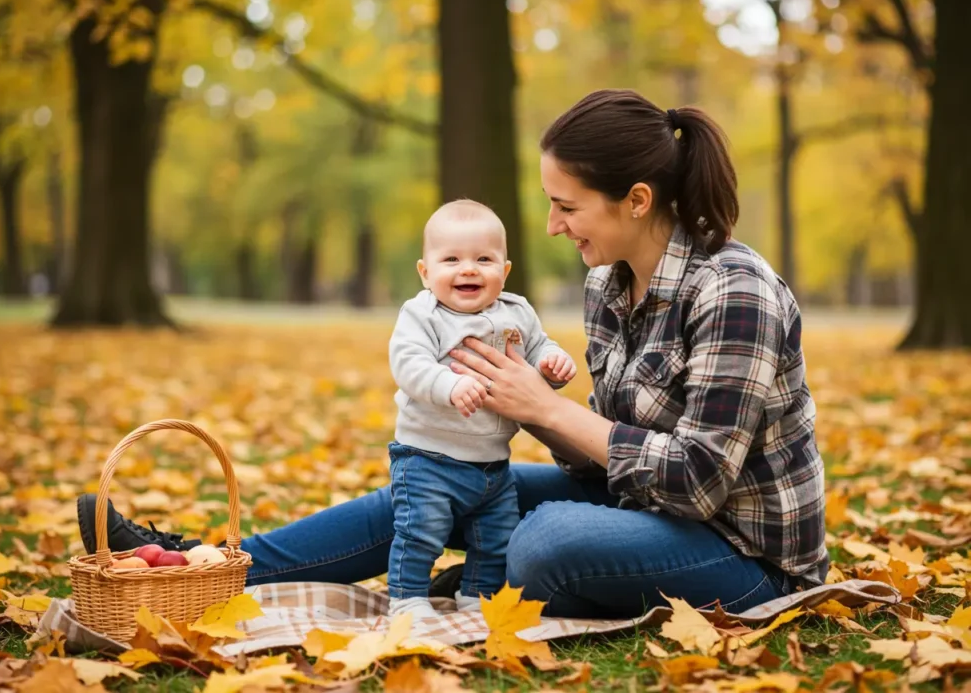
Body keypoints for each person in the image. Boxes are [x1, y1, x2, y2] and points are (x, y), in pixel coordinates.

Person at [77, 89, 827, 619]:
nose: (554, 225)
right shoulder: (609, 286)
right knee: (431, 483)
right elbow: (597, 461)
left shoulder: (734, 290)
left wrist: (545, 405)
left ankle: (468, 584)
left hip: (743, 553)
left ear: (635, 199)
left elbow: (696, 482)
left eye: (567, 205)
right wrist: (509, 400)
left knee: (543, 542)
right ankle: (207, 568)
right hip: (641, 506)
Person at [385, 199, 576, 618]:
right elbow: (408, 364)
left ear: (504, 270)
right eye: (451, 258)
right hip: (427, 457)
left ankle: (477, 597)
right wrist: (450, 385)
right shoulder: (423, 315)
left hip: (493, 464)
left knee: (496, 537)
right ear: (425, 271)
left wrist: (553, 363)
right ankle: (407, 598)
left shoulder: (517, 311)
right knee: (420, 531)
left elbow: (539, 346)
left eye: (484, 259)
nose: (468, 269)